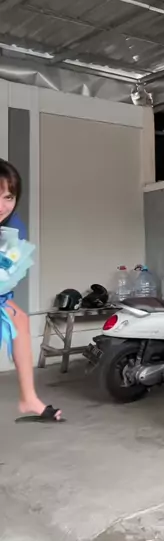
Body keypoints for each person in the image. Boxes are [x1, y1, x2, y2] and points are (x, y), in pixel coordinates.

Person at [0, 159, 62, 422]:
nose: (2, 206)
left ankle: (28, 398)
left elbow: (9, 271)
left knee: (20, 320)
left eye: (8, 197)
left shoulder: (13, 227)